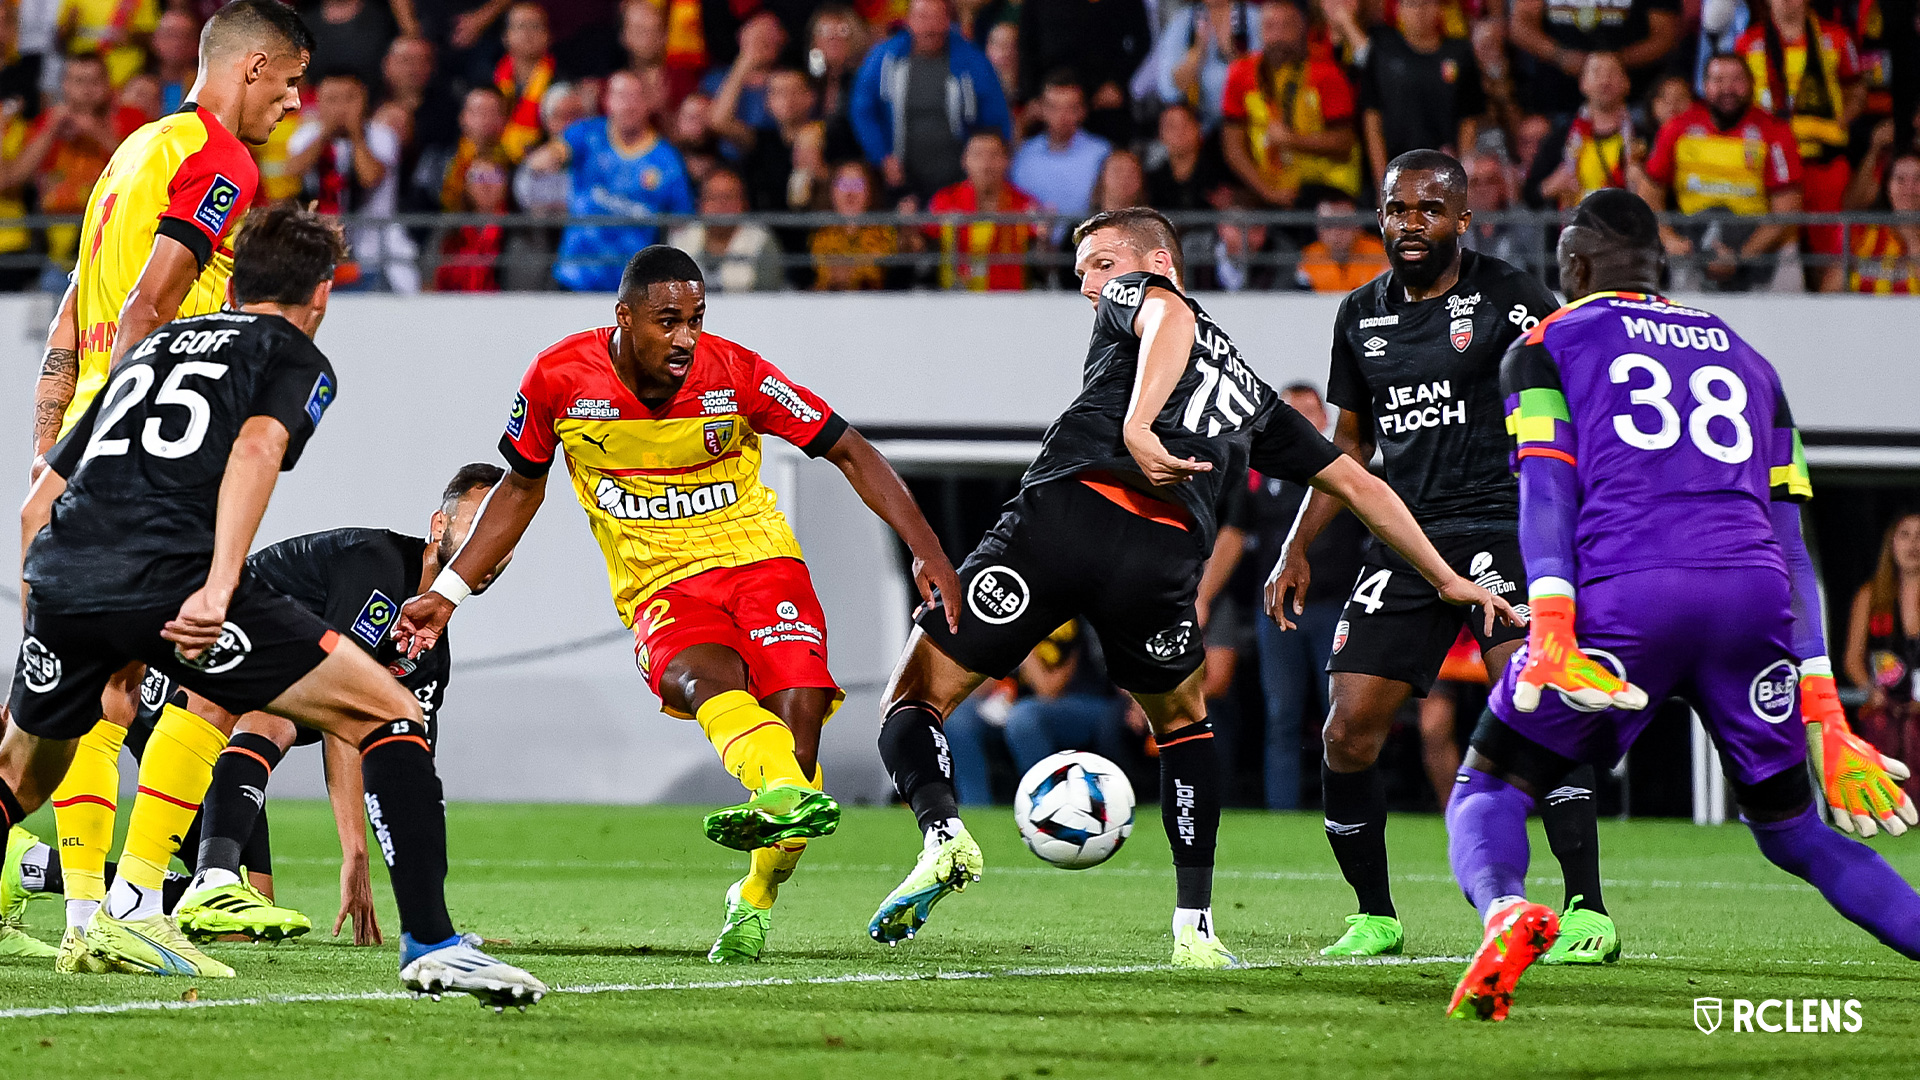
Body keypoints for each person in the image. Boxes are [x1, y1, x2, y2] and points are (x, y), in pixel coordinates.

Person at [867, 206, 1517, 968]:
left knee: (911, 701)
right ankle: (1195, 928)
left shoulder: (1146, 299)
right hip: (1162, 558)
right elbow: (1355, 481)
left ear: (1158, 263)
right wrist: (1445, 575)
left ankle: (943, 834)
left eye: (1102, 264)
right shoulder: (1251, 394)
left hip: (1064, 517)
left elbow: (1168, 314)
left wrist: (1139, 424)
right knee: (1182, 727)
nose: (1091, 285)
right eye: (1082, 273)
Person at [0, 206, 546, 1006]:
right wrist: (219, 586)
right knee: (390, 709)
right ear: (320, 293)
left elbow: (37, 500)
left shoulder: (146, 350)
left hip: (63, 573)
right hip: (172, 580)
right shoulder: (293, 354)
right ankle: (433, 943)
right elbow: (256, 449)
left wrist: (45, 604)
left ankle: (153, 892)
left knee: (22, 772)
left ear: (238, 278)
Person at [392, 245, 960, 965]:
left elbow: (848, 448)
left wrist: (927, 547)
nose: (687, 337)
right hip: (660, 584)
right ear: (624, 318)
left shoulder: (736, 374)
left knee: (798, 740)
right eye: (669, 321)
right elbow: (521, 487)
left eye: (697, 318)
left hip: (760, 564)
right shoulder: (559, 377)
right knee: (700, 682)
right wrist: (448, 593)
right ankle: (780, 788)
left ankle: (752, 895)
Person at [1444, 187, 1920, 1022]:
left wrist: (1553, 621)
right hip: (1753, 601)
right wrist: (1825, 708)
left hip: (1631, 596)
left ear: (1576, 268)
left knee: (1490, 787)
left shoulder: (1546, 344)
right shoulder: (1750, 359)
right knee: (1796, 832)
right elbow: (1792, 538)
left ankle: (1506, 909)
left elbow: (1548, 493)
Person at [1265, 150, 1614, 963]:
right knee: (1346, 730)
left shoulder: (1512, 296)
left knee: (1538, 707)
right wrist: (1296, 545)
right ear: (1380, 218)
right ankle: (1376, 915)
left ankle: (1588, 909)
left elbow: (1572, 407)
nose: (1410, 223)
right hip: (1408, 537)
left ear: (1464, 219)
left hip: (1505, 525)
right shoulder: (1359, 314)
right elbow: (1346, 449)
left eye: (1429, 209)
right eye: (1396, 209)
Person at [23, 0, 308, 975]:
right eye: (293, 80)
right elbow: (148, 303)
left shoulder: (126, 158)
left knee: (97, 693)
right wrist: (141, 447)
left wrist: (47, 455)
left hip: (84, 454)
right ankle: (143, 897)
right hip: (146, 460)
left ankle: (88, 915)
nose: (296, 102)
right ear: (254, 67)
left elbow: (69, 322)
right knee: (234, 677)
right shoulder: (219, 157)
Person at [9, 463, 513, 950]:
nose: (490, 549)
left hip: (228, 731)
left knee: (249, 913)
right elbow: (346, 717)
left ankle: (35, 868)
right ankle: (209, 879)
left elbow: (401, 769)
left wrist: (424, 910)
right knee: (274, 721)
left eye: (502, 538)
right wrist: (354, 852)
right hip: (178, 696)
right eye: (476, 525)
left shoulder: (427, 656)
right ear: (439, 525)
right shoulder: (376, 566)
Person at [1248, 382, 1368, 810]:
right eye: (1289, 412)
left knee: (1341, 717)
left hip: (1336, 608)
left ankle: (1345, 807)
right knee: (1281, 716)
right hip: (1278, 612)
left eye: (1307, 412)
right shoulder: (1262, 475)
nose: (1299, 421)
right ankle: (1282, 812)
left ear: (1324, 421)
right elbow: (1234, 535)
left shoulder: (1346, 473)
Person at [1639, 54, 1802, 293]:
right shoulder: (1677, 128)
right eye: (1718, 80)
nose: (1728, 88)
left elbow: (1787, 210)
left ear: (1751, 84)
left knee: (1789, 255)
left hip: (1761, 246)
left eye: (1737, 80)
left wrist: (1739, 257)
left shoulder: (1775, 132)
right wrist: (1669, 239)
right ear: (1704, 86)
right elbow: (1648, 196)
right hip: (1692, 243)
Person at [1731, 0, 1863, 288]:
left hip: (1822, 160)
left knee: (1828, 251)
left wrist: (1841, 120)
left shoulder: (1837, 37)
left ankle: (1829, 314)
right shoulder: (1747, 41)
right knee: (1779, 243)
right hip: (1771, 164)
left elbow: (1856, 88)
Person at [531, 68, 694, 292]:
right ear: (607, 101)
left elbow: (683, 223)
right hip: (575, 278)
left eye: (635, 96)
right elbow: (553, 154)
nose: (628, 105)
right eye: (620, 96)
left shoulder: (668, 161)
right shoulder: (586, 134)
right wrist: (548, 158)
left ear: (648, 102)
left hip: (632, 287)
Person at [849, 0, 1011, 203]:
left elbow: (995, 118)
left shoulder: (973, 61)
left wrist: (985, 163)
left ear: (947, 21)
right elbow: (861, 109)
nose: (930, 27)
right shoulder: (884, 57)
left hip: (959, 183)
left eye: (936, 18)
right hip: (902, 182)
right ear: (908, 21)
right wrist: (881, 156)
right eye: (922, 17)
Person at [1220, 0, 1361, 209]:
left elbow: (1343, 144)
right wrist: (1269, 192)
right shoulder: (1241, 74)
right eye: (1270, 27)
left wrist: (1292, 140)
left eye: (1287, 26)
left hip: (1328, 189)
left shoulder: (1326, 73)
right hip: (1269, 187)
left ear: (1303, 29)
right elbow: (1233, 148)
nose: (1278, 37)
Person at [16, 54, 147, 273]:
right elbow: (20, 175)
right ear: (64, 85)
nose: (86, 90)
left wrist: (94, 130)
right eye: (78, 81)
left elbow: (142, 169)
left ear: (107, 83)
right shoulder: (47, 123)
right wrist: (50, 130)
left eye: (94, 81)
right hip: (53, 249)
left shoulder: (131, 117)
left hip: (115, 243)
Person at [287, 72, 414, 293]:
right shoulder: (306, 135)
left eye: (349, 98)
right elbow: (292, 171)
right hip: (321, 247)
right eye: (332, 99)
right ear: (318, 101)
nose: (341, 107)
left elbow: (370, 177)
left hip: (375, 246)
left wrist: (356, 134)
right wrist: (326, 133)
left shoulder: (381, 135)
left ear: (364, 100)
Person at [1358, 0, 1485, 193]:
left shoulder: (1459, 53)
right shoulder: (1382, 51)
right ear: (1399, 9)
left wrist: (1460, 171)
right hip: (1397, 167)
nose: (1419, 12)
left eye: (1426, 4)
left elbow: (1468, 118)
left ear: (1439, 8)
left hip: (1443, 168)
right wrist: (1382, 180)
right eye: (1411, 4)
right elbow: (1372, 118)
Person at [1846, 512, 1920, 801]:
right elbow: (1852, 659)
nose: (1914, 544)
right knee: (1879, 728)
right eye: (1906, 535)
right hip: (1884, 703)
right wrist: (1870, 689)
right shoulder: (1870, 595)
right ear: (1891, 543)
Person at [1506, 0, 1682, 116]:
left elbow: (1665, 36)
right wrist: (1560, 56)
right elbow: (1520, 25)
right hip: (1555, 104)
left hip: (1633, 104)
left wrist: (1613, 63)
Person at [925, 130, 1039, 290]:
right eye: (978, 155)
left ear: (1007, 160)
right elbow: (921, 246)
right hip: (954, 301)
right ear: (964, 160)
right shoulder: (944, 200)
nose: (986, 164)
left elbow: (1044, 260)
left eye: (994, 155)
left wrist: (1044, 238)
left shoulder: (1024, 204)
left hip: (1011, 302)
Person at [1528, 52, 1643, 210]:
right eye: (1596, 72)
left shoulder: (1642, 136)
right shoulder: (1561, 137)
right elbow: (1530, 195)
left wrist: (1644, 183)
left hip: (1625, 230)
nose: (1604, 80)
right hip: (1574, 229)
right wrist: (1550, 186)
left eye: (1612, 72)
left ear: (1626, 83)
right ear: (1583, 83)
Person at [1010, 70, 1111, 228]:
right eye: (1053, 107)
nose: (1062, 116)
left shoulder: (1101, 153)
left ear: (1083, 111)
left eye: (1071, 108)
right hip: (1030, 246)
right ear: (1041, 109)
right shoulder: (1024, 155)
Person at [667, 167, 786, 292]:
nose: (722, 204)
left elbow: (768, 298)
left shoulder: (761, 241)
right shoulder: (680, 239)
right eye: (714, 197)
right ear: (700, 203)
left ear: (744, 203)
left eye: (729, 197)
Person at [1830, 151, 1920, 293]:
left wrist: (1912, 240)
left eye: (1918, 179)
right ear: (1887, 186)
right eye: (1900, 179)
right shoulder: (1862, 233)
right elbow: (1830, 292)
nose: (1909, 189)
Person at [811, 159, 901, 291]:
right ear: (832, 192)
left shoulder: (885, 234)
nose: (850, 193)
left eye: (857, 185)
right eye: (843, 185)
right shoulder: (820, 236)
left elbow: (874, 278)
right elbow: (827, 278)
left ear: (870, 193)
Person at [1294, 195, 1388, 291]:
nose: (1336, 232)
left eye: (1344, 223)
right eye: (1328, 225)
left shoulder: (1380, 255)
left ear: (1358, 226)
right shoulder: (1308, 259)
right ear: (1318, 228)